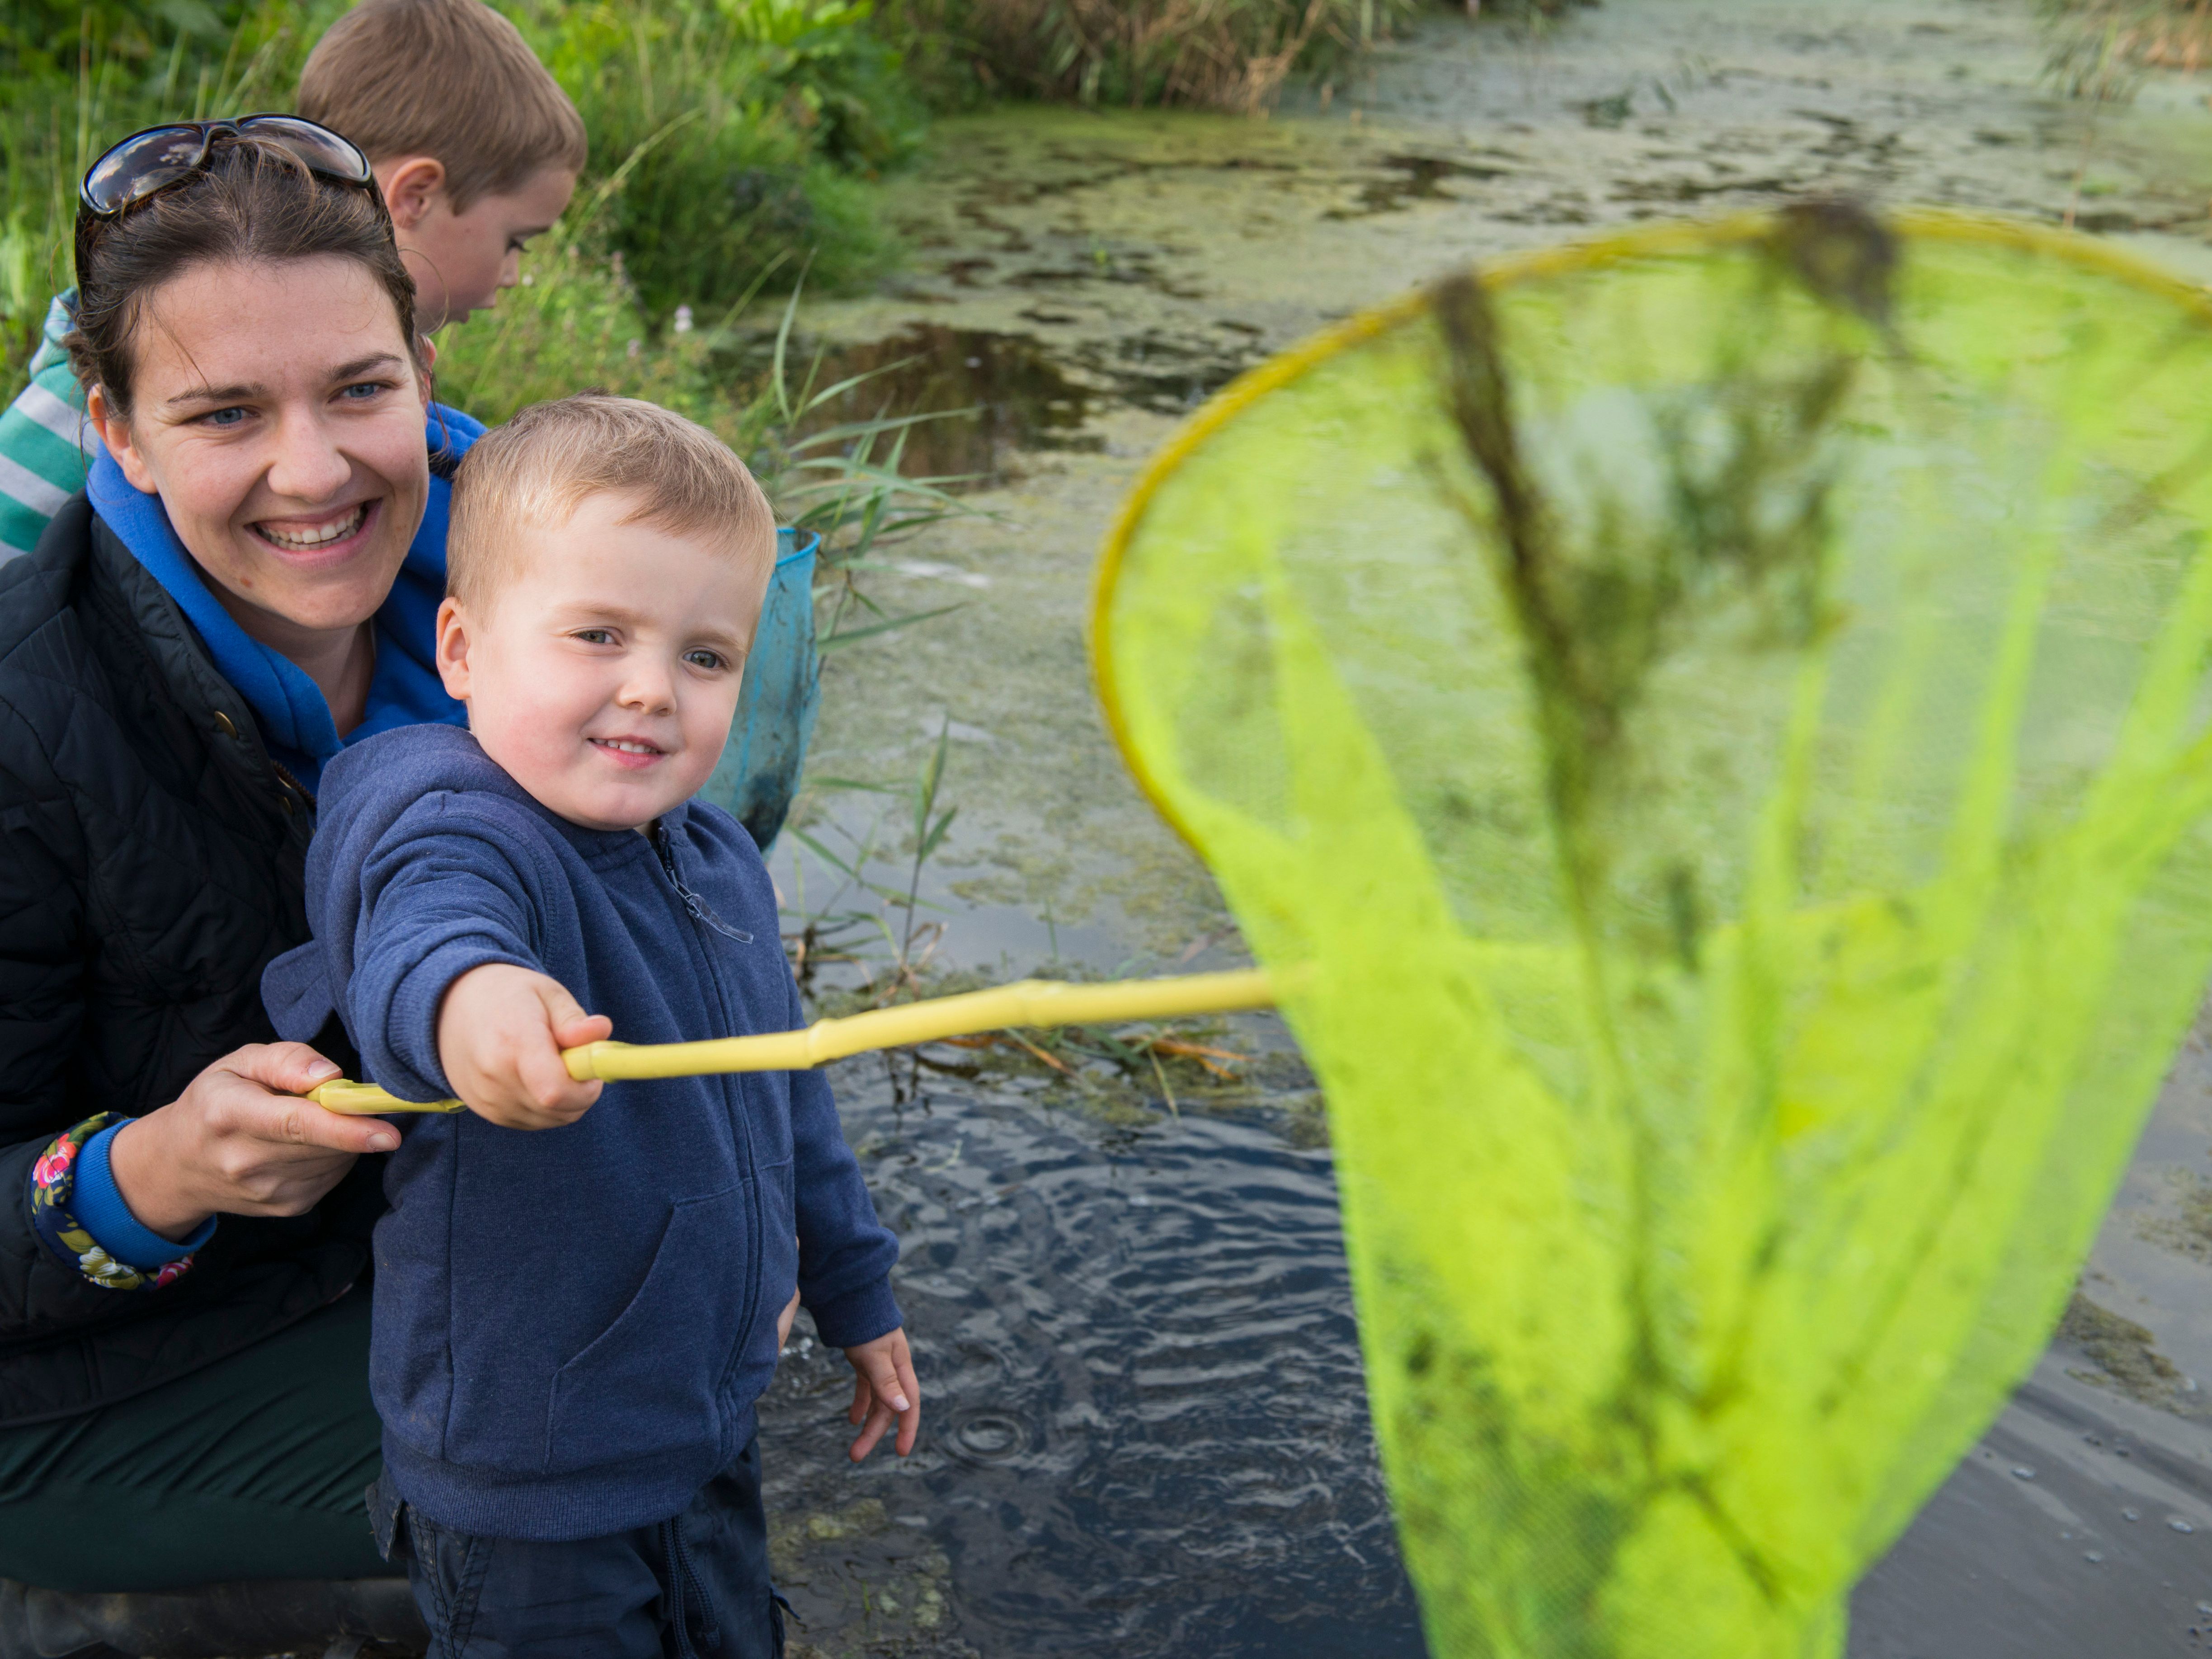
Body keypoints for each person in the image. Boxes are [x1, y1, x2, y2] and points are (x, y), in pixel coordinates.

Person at [260, 393, 918, 1654]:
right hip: (527, 1475)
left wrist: (853, 1286)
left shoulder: (715, 858)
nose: (651, 692)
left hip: (698, 1417)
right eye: (598, 635)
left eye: (704, 656)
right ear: (460, 651)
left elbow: (791, 1090)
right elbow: (426, 940)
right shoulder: (451, 820)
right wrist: (474, 1006)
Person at [0, 117, 539, 1620]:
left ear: (422, 375)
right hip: (76, 1381)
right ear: (114, 427)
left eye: (360, 390)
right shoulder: (22, 720)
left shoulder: (547, 629)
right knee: (557, 1502)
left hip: (387, 1257)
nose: (314, 473)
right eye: (225, 413)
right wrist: (151, 1174)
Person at [0, 0, 584, 561]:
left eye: (361, 391)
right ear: (416, 195)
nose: (513, 277)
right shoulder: (80, 400)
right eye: (515, 242)